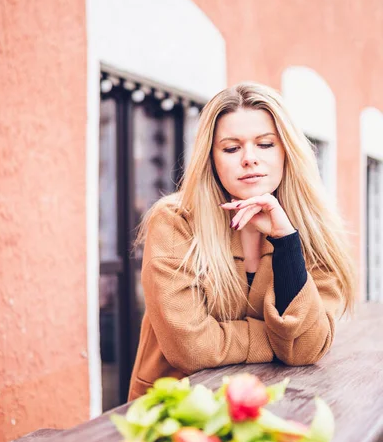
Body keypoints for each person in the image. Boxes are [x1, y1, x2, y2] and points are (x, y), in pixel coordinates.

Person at [128, 82, 356, 401]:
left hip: (277, 408)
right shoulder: (175, 221)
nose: (249, 158)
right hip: (179, 415)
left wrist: (286, 242)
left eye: (265, 144)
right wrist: (278, 342)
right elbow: (190, 348)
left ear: (286, 151)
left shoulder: (313, 228)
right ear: (211, 158)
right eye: (231, 148)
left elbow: (306, 348)